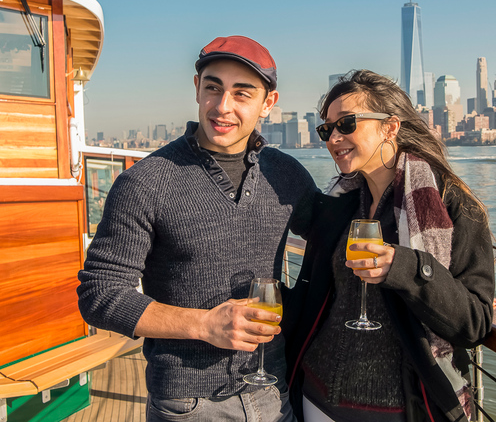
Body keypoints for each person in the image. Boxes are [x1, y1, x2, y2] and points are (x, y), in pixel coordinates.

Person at [77, 36, 317, 422]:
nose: (223, 107)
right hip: (188, 405)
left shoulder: (287, 175)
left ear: (268, 103)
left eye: (242, 94)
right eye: (213, 88)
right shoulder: (145, 182)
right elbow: (99, 294)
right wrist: (203, 324)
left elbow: (337, 231)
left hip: (273, 392)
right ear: (196, 88)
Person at [283, 70, 495, 422]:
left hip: (402, 407)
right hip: (315, 394)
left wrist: (403, 267)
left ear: (390, 127)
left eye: (347, 123)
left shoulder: (451, 203)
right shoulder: (338, 203)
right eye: (327, 129)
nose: (334, 138)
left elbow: (473, 323)